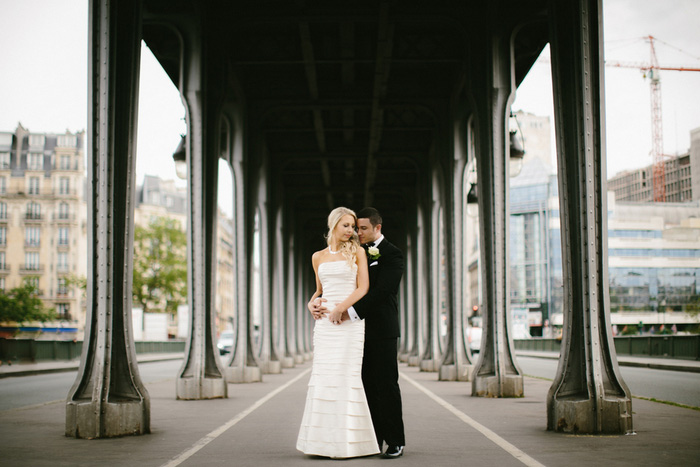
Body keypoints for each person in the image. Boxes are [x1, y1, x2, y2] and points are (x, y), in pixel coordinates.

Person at [312, 207, 406, 459]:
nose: (357, 232)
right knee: (362, 384)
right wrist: (315, 302)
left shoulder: (392, 254)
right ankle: (369, 438)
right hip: (353, 329)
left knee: (386, 384)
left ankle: (395, 440)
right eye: (354, 227)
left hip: (380, 329)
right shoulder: (352, 252)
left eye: (362, 228)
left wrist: (347, 312)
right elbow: (327, 286)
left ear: (378, 228)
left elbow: (382, 291)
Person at [296, 207, 380, 459]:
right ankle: (321, 443)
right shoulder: (317, 257)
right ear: (333, 225)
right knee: (324, 377)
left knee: (346, 376)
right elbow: (319, 290)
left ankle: (349, 444)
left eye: (353, 227)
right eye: (346, 226)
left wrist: (341, 309)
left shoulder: (357, 252)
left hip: (348, 323)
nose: (352, 231)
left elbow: (363, 287)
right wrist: (311, 304)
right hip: (324, 326)